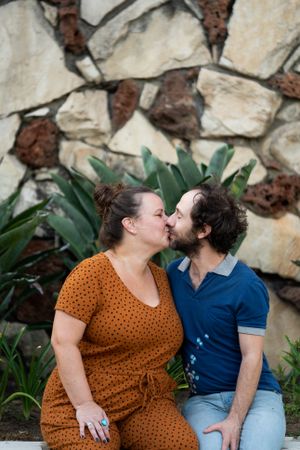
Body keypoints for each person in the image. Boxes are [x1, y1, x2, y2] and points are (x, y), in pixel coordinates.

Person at [41, 183, 198, 450]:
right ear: (131, 225)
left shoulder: (163, 277)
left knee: (181, 445)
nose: (169, 221)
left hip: (145, 401)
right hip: (84, 402)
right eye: (159, 214)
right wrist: (84, 404)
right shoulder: (91, 273)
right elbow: (62, 341)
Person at [166, 183, 286, 450]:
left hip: (258, 397)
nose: (169, 221)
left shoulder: (246, 285)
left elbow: (252, 356)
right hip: (204, 400)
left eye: (179, 215)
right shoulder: (173, 275)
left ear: (203, 230)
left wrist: (234, 418)